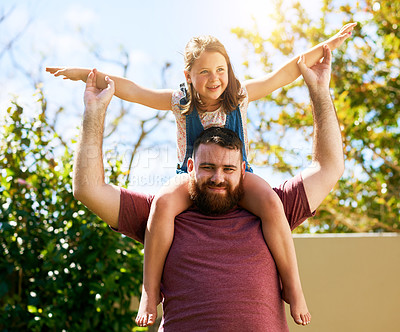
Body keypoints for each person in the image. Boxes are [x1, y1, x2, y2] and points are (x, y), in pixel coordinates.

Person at [49, 23, 354, 327]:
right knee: (162, 205)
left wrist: (325, 47)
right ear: (188, 76)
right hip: (188, 177)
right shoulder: (180, 102)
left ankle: (295, 289)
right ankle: (149, 290)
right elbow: (132, 89)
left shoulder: (239, 96)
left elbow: (284, 74)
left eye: (221, 69)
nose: (214, 79)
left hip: (242, 176)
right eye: (204, 72)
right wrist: (84, 75)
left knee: (273, 205)